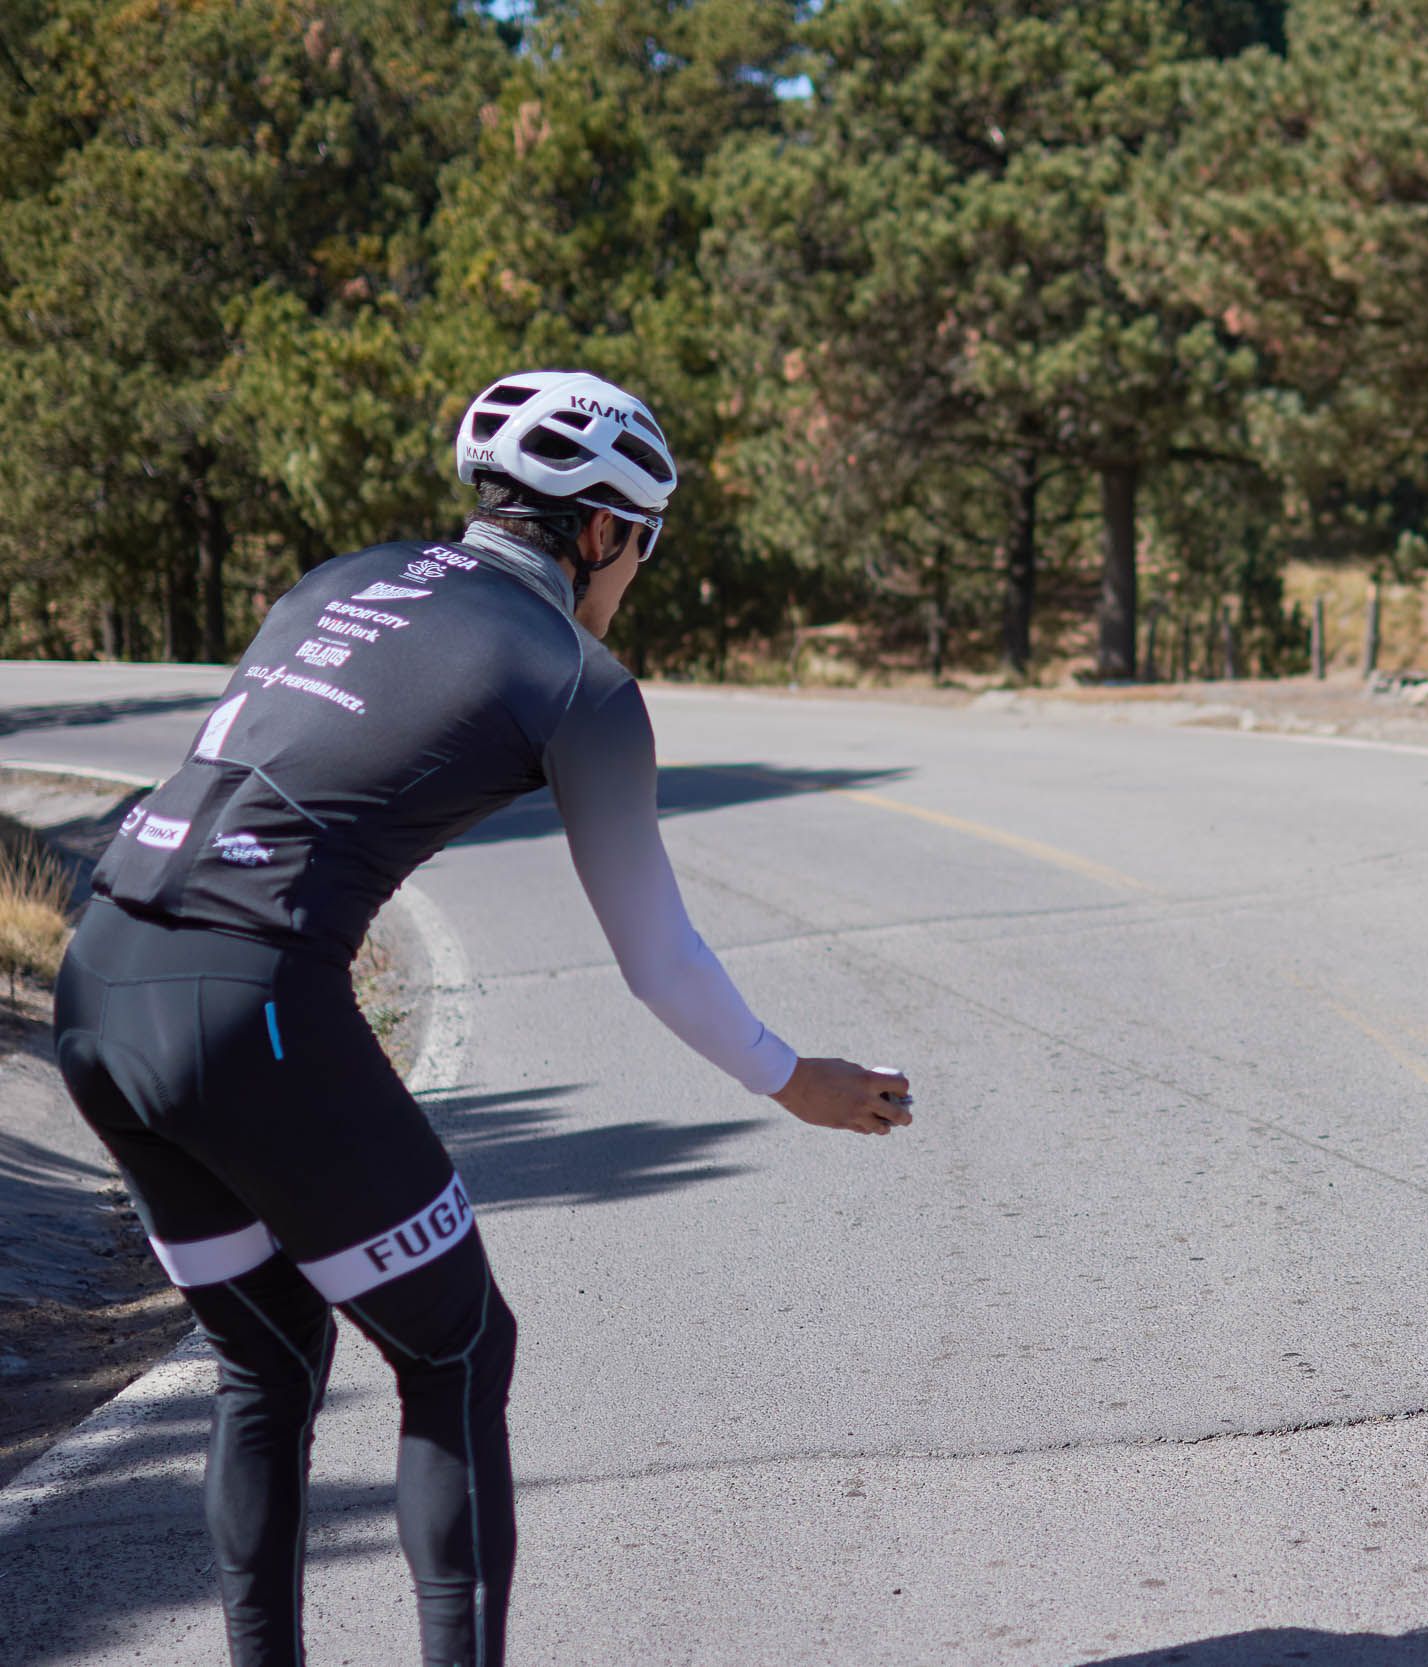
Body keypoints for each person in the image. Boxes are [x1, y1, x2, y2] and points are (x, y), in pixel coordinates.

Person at [50, 370, 913, 1667]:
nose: (637, 573)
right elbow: (658, 956)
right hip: (248, 1009)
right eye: (645, 543)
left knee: (266, 1357)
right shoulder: (577, 678)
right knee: (455, 1345)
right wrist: (794, 1076)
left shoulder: (339, 579)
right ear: (603, 531)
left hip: (97, 981)